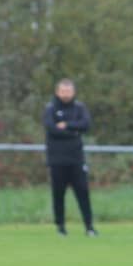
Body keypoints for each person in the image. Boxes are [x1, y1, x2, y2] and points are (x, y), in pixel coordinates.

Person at [42, 78, 96, 236]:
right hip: (57, 159)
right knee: (58, 194)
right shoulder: (50, 108)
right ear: (57, 92)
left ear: (73, 92)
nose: (66, 94)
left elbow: (86, 124)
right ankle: (61, 227)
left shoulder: (79, 108)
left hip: (76, 159)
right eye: (63, 91)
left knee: (83, 192)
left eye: (69, 91)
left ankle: (89, 227)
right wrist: (73, 132)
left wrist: (67, 125)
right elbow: (51, 129)